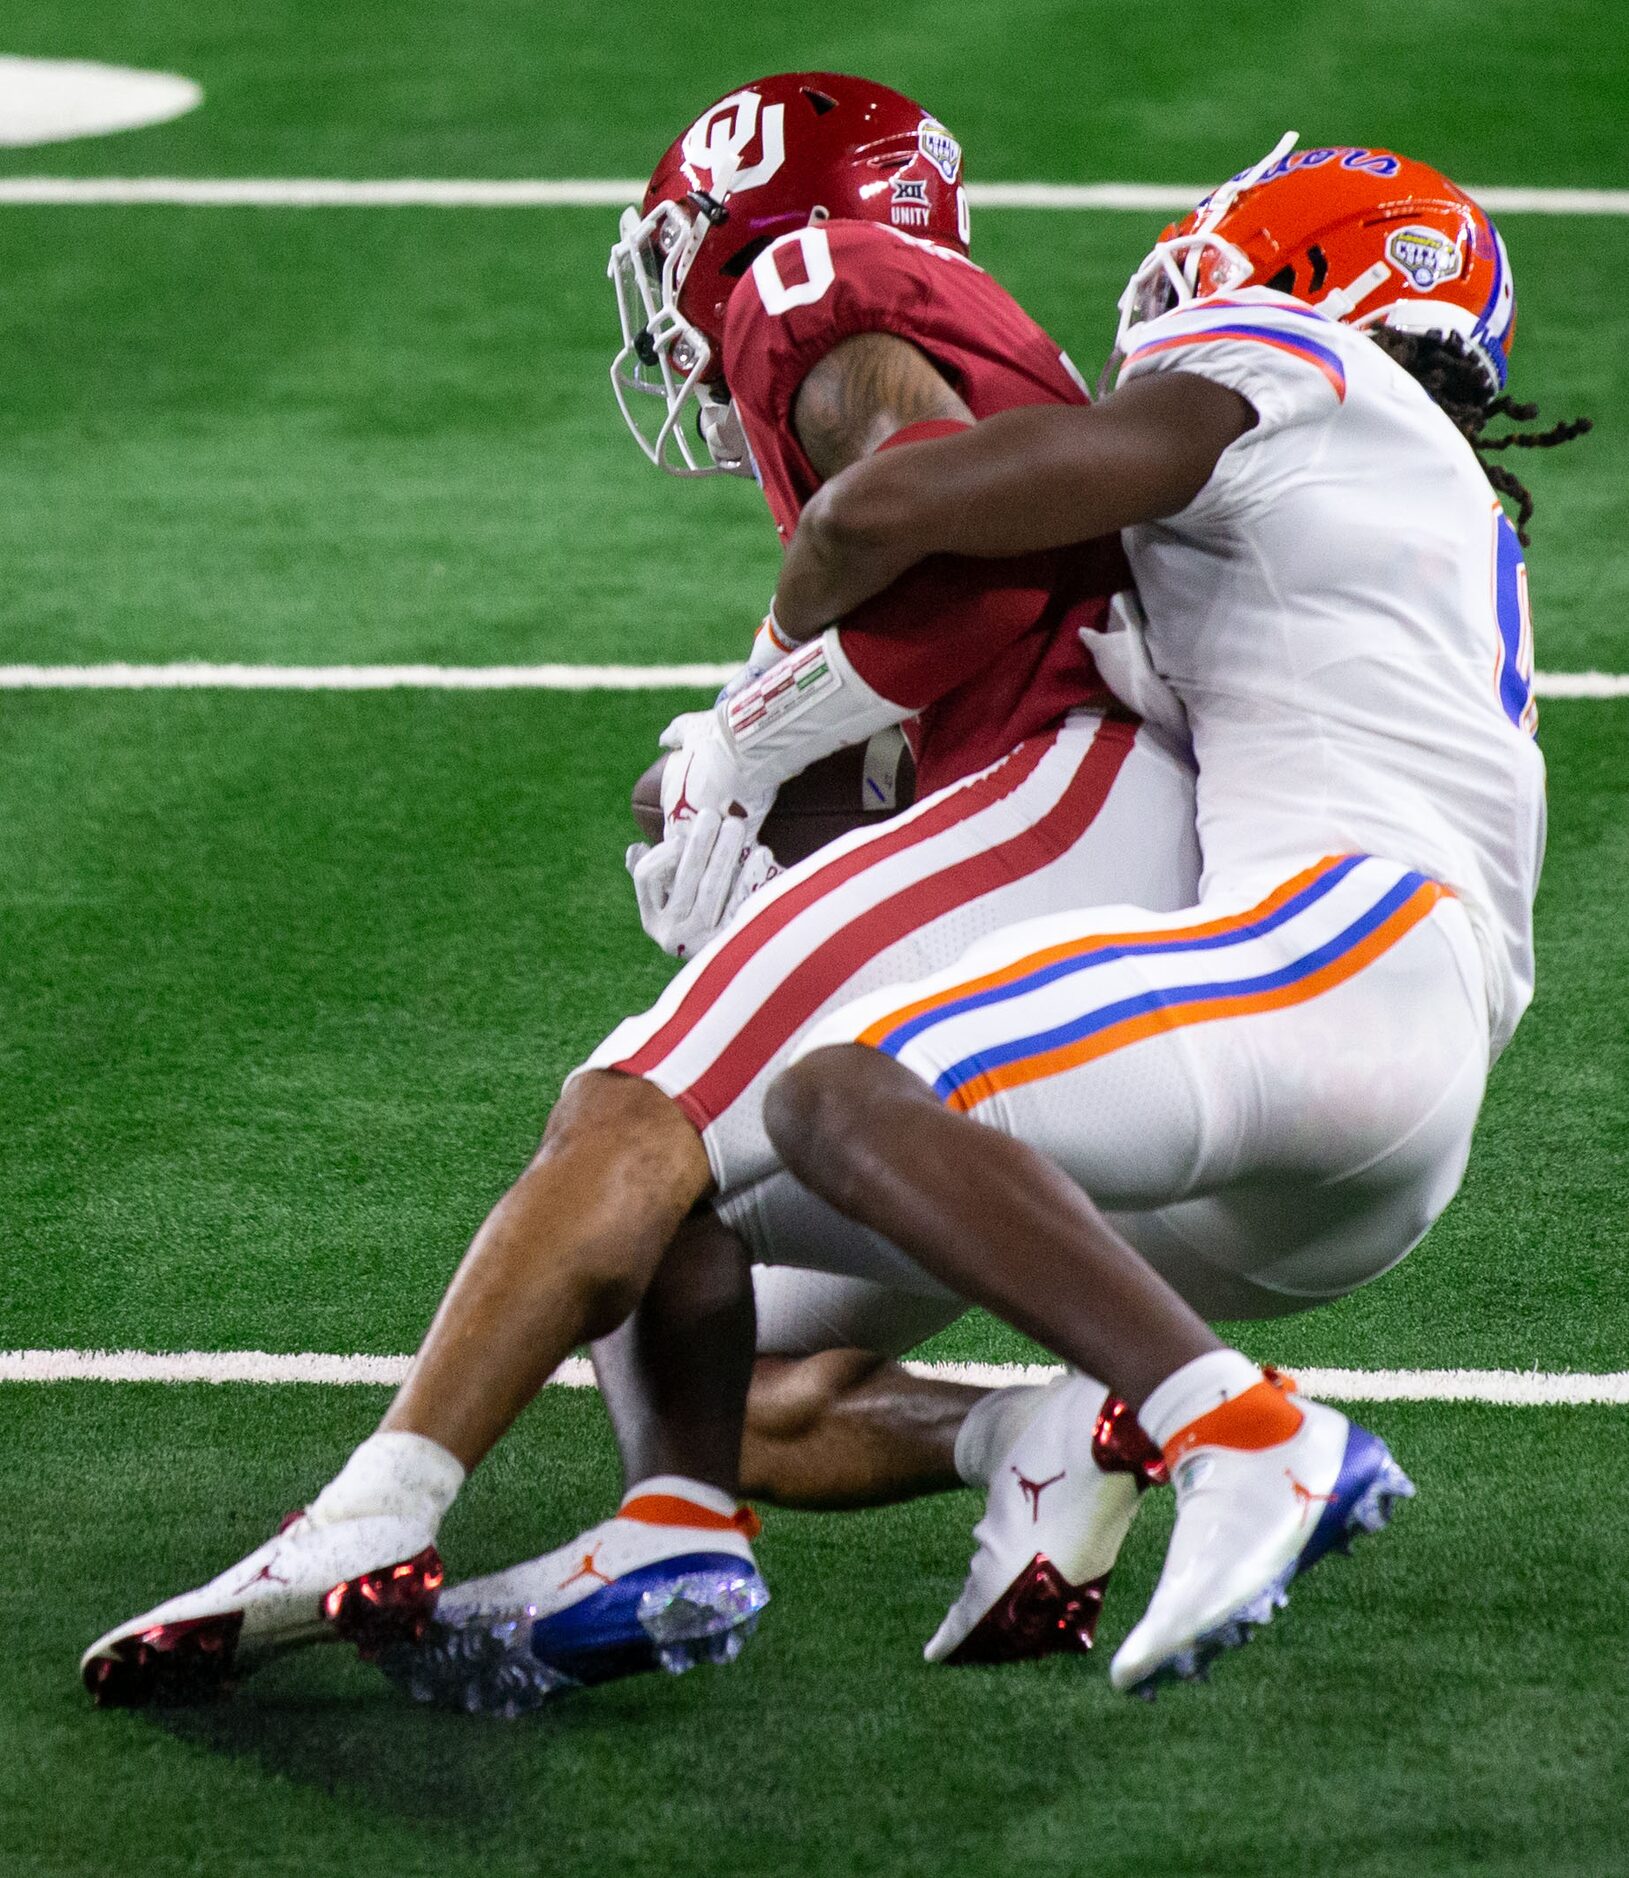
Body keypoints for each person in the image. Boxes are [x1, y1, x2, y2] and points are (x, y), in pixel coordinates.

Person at [79, 74, 1203, 1710]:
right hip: (1052, 800)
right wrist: (764, 771)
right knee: (691, 1273)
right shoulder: (916, 300)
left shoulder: (798, 281)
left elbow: (957, 540)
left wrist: (759, 722)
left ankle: (370, 1511)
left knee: (625, 1109)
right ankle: (901, 1463)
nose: (674, 285)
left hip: (1061, 782)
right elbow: (954, 587)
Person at [747, 136, 1590, 1693]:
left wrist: (760, 703)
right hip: (1356, 1140)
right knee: (720, 1332)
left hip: (1328, 961)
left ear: (1319, 267)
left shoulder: (1287, 358)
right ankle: (1060, 1427)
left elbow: (892, 509)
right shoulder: (1360, 509)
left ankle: (1244, 1430)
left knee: (831, 1091)